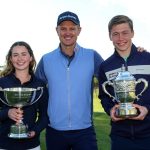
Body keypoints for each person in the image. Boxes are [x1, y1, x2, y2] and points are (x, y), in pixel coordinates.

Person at [35, 11, 104, 150]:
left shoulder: (92, 56)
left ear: (79, 30)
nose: (68, 32)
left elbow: (112, 77)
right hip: (55, 130)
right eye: (63, 28)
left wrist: (132, 55)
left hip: (85, 130)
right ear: (57, 31)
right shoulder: (46, 59)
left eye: (72, 28)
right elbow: (36, 90)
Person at [98, 15, 150, 150]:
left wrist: (147, 109)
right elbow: (104, 97)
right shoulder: (105, 66)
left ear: (132, 33)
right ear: (110, 36)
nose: (120, 38)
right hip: (120, 137)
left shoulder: (147, 58)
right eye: (115, 34)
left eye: (125, 33)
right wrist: (110, 110)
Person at [0, 41, 48, 150]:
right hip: (4, 144)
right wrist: (6, 113)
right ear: (11, 59)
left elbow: (45, 116)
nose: (20, 58)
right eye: (15, 55)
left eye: (24, 54)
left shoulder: (39, 85)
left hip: (31, 145)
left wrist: (35, 131)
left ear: (30, 57)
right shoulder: (2, 84)